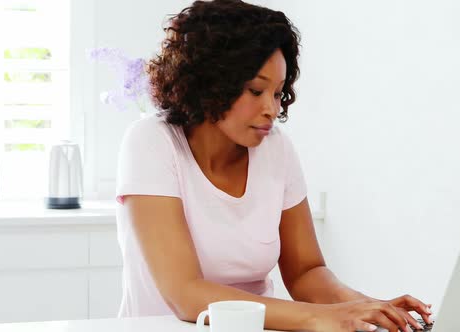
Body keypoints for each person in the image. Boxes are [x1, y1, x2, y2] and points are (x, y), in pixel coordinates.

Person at [115, 1, 432, 331]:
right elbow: (186, 295)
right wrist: (322, 318)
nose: (271, 108)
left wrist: (367, 307)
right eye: (256, 90)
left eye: (279, 93)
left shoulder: (275, 147)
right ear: (210, 84)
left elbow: (306, 273)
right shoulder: (151, 141)